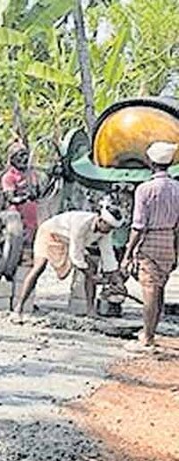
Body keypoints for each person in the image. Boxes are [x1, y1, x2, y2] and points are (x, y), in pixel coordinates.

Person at [13, 209, 124, 319]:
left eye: (112, 228)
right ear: (101, 221)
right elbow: (76, 254)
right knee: (39, 266)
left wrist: (115, 278)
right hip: (50, 233)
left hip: (68, 241)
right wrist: (89, 274)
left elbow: (108, 254)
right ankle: (19, 307)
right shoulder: (81, 224)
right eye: (108, 227)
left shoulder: (105, 232)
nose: (109, 231)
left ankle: (91, 311)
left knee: (92, 266)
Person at [122, 142, 179, 350]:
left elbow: (138, 226)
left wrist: (128, 253)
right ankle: (152, 331)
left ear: (150, 163)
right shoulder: (178, 189)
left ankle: (147, 337)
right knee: (160, 288)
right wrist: (176, 250)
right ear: (170, 162)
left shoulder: (144, 189)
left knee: (149, 291)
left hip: (150, 241)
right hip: (169, 241)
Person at [1, 142, 41, 248]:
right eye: (21, 155)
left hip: (32, 212)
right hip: (16, 212)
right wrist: (24, 197)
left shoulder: (32, 174)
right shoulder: (8, 177)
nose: (24, 158)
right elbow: (10, 198)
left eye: (26, 155)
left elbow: (38, 193)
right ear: (13, 159)